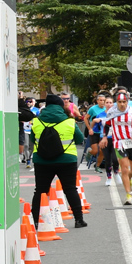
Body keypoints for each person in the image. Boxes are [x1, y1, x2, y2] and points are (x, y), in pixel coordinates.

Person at [31, 93, 86, 229]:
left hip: (42, 160)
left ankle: (35, 221)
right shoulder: (70, 122)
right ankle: (79, 220)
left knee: (40, 190)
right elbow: (79, 139)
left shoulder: (36, 122)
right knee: (70, 189)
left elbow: (32, 139)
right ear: (61, 107)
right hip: (66, 160)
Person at [103, 89, 132, 204]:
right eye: (119, 102)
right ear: (116, 102)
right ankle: (128, 195)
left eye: (124, 102)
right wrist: (105, 137)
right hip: (119, 143)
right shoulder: (111, 112)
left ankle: (130, 178)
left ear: (127, 102)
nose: (122, 104)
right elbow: (107, 126)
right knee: (125, 169)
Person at [84, 92, 108, 172]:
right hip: (94, 132)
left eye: (104, 100)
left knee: (101, 151)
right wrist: (89, 129)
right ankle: (90, 152)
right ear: (97, 101)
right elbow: (85, 118)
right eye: (100, 100)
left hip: (103, 133)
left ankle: (97, 166)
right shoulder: (93, 109)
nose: (102, 102)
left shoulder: (107, 109)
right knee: (95, 150)